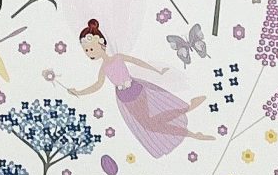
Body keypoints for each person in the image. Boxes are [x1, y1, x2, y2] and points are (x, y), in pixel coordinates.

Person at [56, 19, 205, 157]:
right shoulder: (104, 68)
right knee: (149, 125)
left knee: (150, 124)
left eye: (90, 49)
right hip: (124, 99)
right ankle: (188, 121)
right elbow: (98, 85)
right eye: (87, 51)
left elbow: (138, 62)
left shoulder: (117, 57)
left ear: (101, 43)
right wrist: (79, 92)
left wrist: (157, 71)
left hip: (135, 90)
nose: (89, 53)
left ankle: (188, 117)